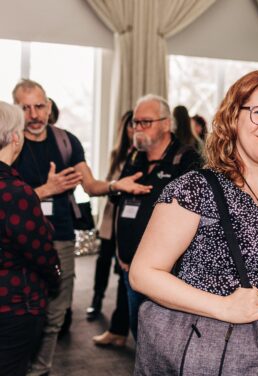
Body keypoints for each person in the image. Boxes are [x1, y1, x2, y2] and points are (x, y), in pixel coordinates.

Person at [129, 70, 258, 374]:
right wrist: (223, 306)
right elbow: (143, 273)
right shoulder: (195, 189)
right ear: (234, 117)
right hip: (220, 346)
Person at [11, 79, 150, 376]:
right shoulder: (9, 143)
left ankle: (39, 370)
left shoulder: (66, 141)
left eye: (39, 106)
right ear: (16, 110)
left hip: (59, 238)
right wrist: (45, 190)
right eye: (25, 108)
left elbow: (90, 185)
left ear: (49, 107)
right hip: (14, 242)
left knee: (56, 312)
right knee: (19, 314)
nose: (34, 115)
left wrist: (115, 185)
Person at [114, 95, 201, 340]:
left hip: (166, 271)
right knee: (139, 331)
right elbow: (120, 204)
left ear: (166, 124)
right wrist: (122, 254)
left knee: (164, 339)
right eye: (136, 122)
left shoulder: (187, 159)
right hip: (129, 266)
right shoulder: (134, 158)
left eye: (146, 122)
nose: (138, 128)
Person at [0, 100, 61, 376]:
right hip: (13, 305)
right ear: (15, 137)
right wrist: (55, 278)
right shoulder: (16, 192)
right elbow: (42, 254)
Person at [87, 110, 134, 348]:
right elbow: (106, 183)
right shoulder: (118, 154)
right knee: (103, 261)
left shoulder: (143, 154)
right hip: (111, 217)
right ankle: (96, 300)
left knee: (123, 271)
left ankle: (119, 328)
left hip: (128, 221)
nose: (134, 129)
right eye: (131, 124)